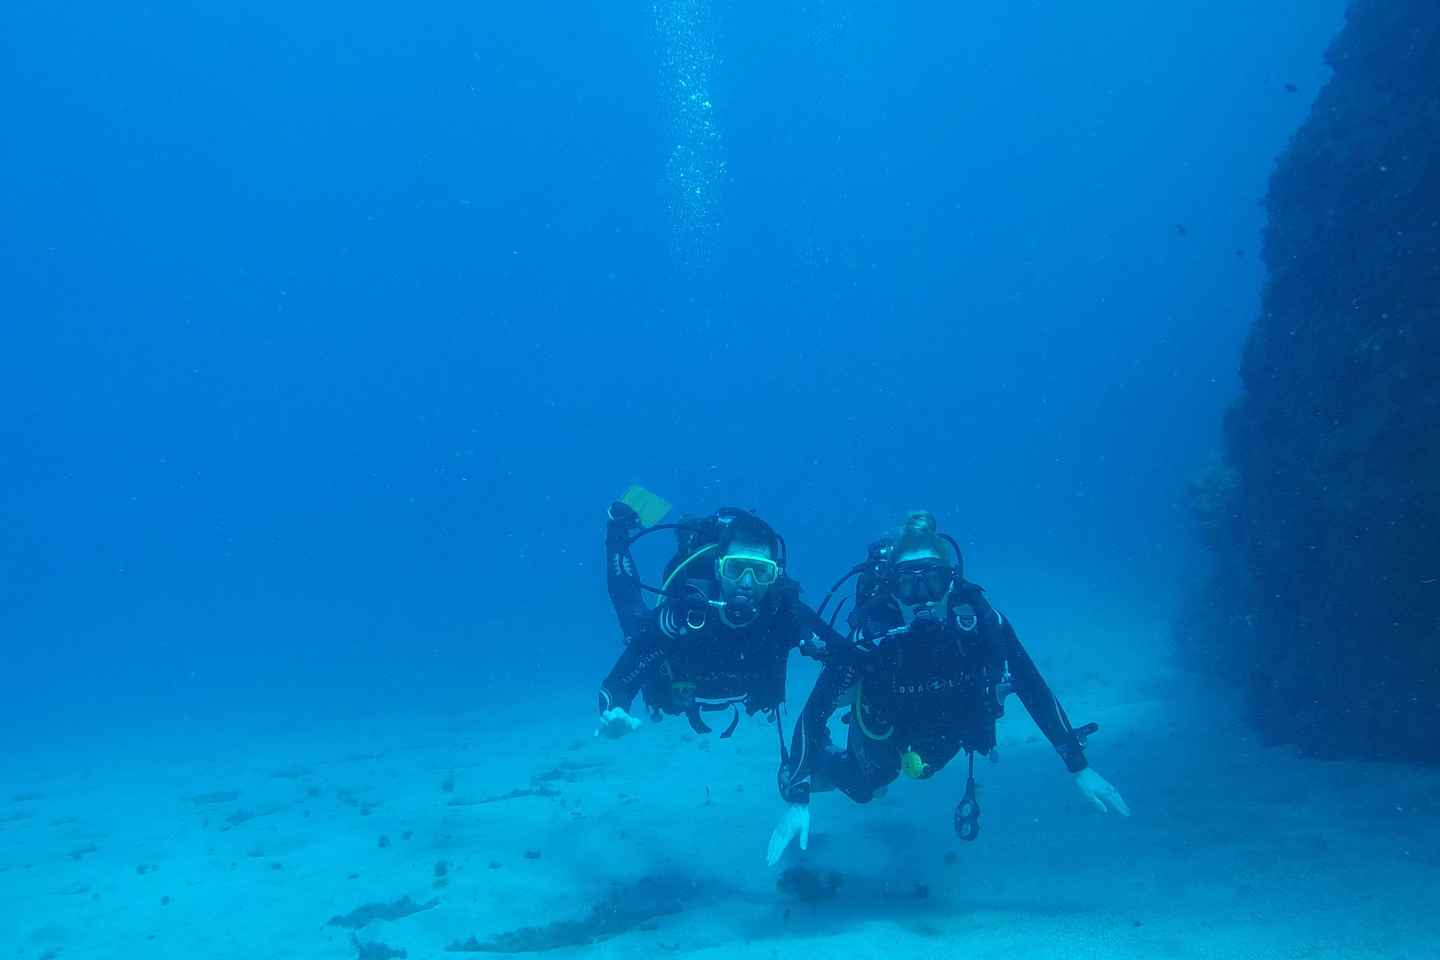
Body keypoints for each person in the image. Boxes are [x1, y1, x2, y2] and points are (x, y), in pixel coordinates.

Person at [767, 510, 1129, 864]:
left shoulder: (982, 622)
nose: (922, 596)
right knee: (866, 788)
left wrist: (1078, 766)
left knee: (923, 769)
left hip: (947, 728)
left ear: (951, 582)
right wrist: (798, 798)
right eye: (908, 584)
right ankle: (824, 758)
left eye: (934, 581)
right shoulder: (871, 635)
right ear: (892, 588)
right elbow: (815, 710)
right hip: (885, 728)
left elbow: (1032, 685)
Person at [596, 493, 840, 741]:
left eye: (761, 572)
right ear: (718, 568)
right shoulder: (683, 614)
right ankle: (619, 525)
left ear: (774, 576)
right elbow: (618, 683)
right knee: (634, 626)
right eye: (735, 568)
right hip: (675, 687)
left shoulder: (784, 613)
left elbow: (845, 653)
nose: (747, 583)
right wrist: (614, 712)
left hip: (733, 686)